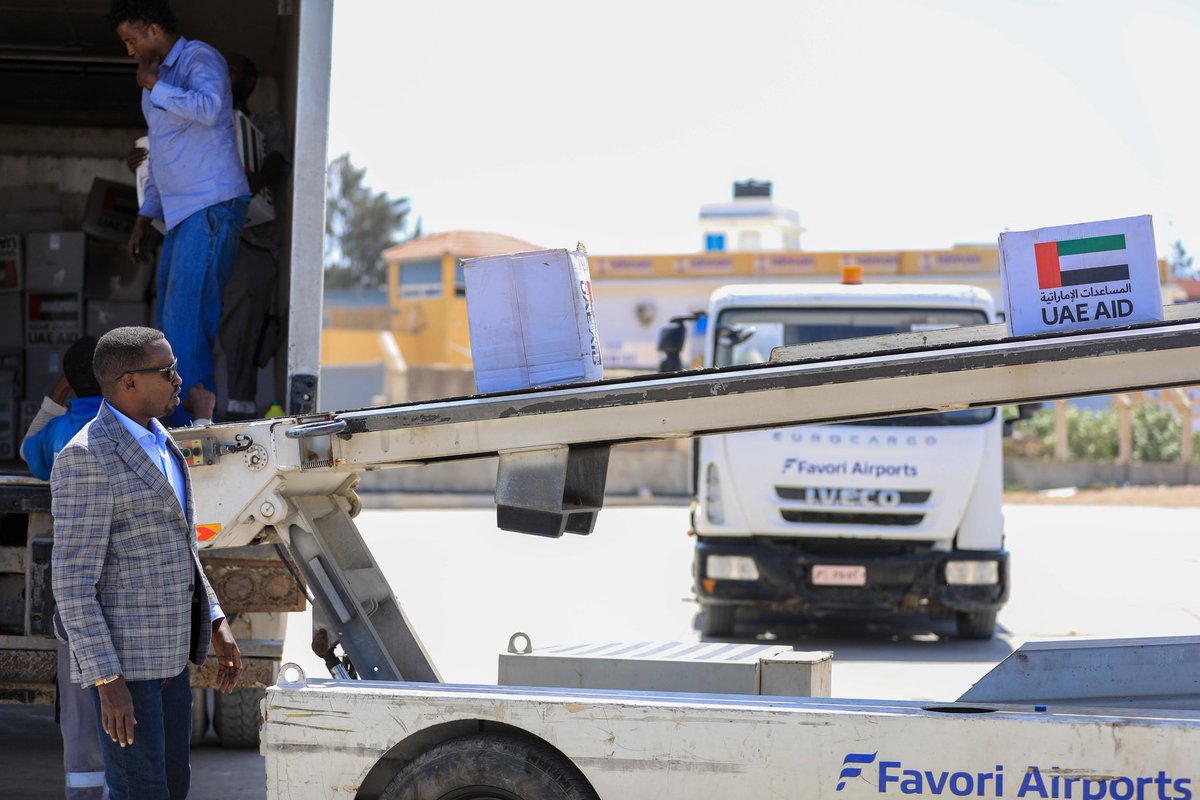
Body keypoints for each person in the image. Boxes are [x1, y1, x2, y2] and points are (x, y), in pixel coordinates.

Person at [50, 326, 242, 800]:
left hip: (171, 661)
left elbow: (181, 546)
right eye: (167, 370)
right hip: (125, 671)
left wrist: (216, 620)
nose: (180, 379)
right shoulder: (86, 458)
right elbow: (73, 585)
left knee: (174, 787)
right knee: (140, 791)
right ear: (128, 382)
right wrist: (107, 680)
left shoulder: (161, 440)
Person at [110, 0, 250, 427]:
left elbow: (210, 108)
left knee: (185, 326)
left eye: (131, 40)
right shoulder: (154, 85)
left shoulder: (199, 58)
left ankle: (196, 432)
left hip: (209, 204)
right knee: (171, 326)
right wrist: (143, 216)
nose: (129, 51)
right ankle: (186, 425)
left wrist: (156, 85)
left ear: (154, 31)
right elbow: (161, 153)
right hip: (179, 214)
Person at [20, 337, 107, 799]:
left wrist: (56, 397)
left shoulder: (59, 433)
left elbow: (28, 451)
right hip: (121, 588)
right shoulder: (137, 426)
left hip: (70, 584)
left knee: (78, 700)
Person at [221, 52, 291, 420]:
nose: (222, 75)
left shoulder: (266, 123)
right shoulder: (205, 123)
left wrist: (253, 183)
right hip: (214, 238)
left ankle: (237, 412)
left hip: (253, 242)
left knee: (243, 331)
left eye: (230, 70)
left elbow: (277, 160)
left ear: (250, 82)